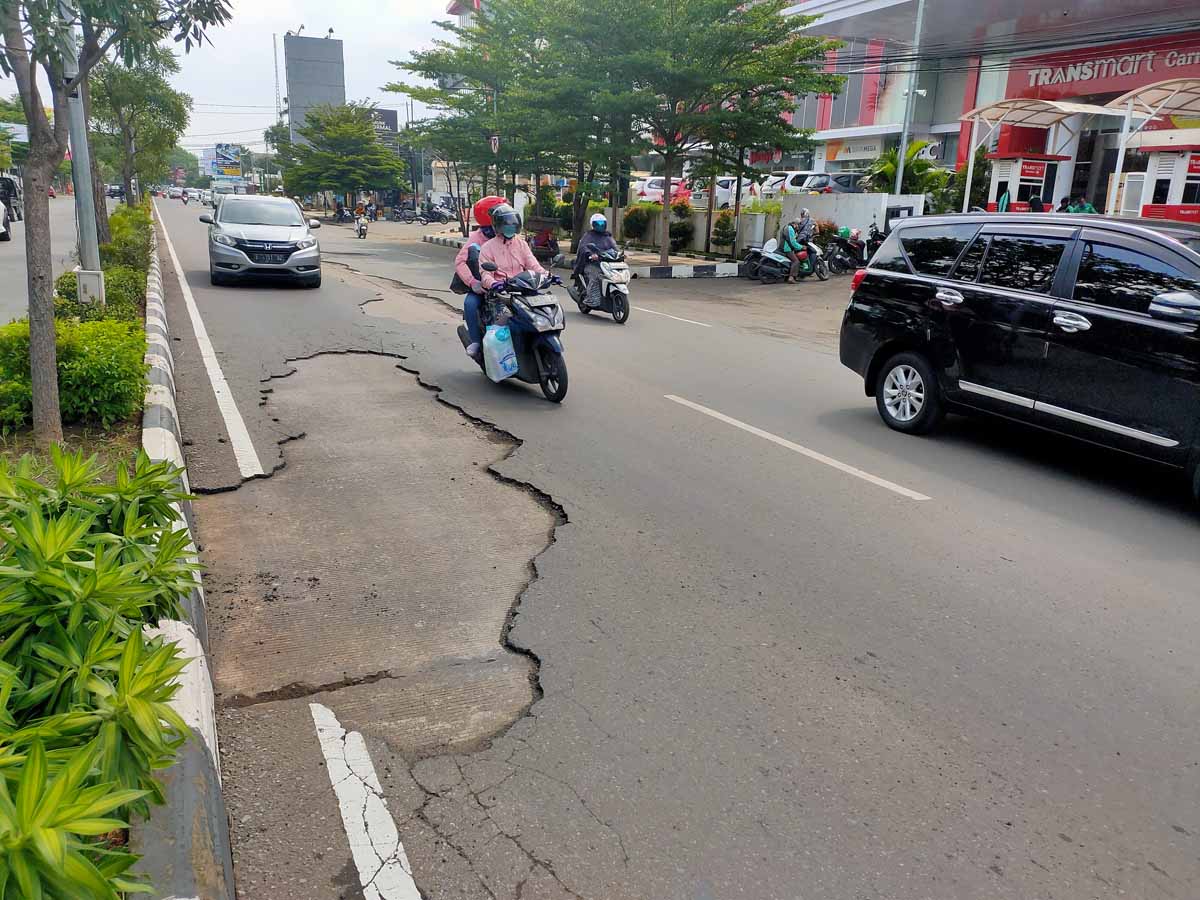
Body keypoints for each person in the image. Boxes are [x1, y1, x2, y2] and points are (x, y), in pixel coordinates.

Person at [455, 196, 506, 360]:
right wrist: (473, 282)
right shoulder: (477, 238)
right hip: (484, 286)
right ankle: (476, 342)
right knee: (470, 303)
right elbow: (460, 261)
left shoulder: (508, 234)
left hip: (509, 284)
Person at [479, 203, 547, 294]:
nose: (510, 228)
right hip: (501, 292)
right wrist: (493, 284)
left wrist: (548, 275)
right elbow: (486, 274)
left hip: (524, 287)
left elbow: (533, 265)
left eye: (513, 225)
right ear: (498, 226)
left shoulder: (522, 244)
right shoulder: (487, 248)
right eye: (506, 225)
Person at [573, 213, 619, 307]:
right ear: (593, 225)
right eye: (598, 224)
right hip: (592, 264)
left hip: (606, 264)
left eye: (602, 224)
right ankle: (591, 299)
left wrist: (619, 254)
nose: (600, 226)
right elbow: (583, 247)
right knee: (596, 277)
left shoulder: (608, 236)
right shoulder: (589, 236)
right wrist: (590, 254)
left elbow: (614, 248)